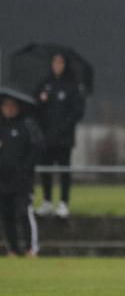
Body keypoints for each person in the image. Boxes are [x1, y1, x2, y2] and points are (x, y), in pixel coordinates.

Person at [34, 52, 86, 219]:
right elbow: (35, 110)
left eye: (60, 63)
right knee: (46, 171)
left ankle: (64, 203)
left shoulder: (72, 86)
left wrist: (62, 128)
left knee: (64, 170)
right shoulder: (45, 84)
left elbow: (77, 111)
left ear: (65, 65)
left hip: (64, 138)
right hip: (46, 137)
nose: (57, 66)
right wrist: (41, 100)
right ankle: (47, 201)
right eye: (55, 62)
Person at [0, 93, 44, 256]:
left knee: (23, 212)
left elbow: (38, 147)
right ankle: (12, 249)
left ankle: (31, 249)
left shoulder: (27, 125)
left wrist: (26, 168)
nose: (8, 109)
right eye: (5, 106)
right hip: (3, 180)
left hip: (22, 179)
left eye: (12, 106)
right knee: (6, 215)